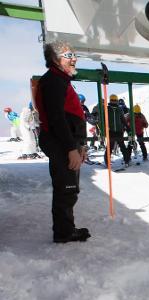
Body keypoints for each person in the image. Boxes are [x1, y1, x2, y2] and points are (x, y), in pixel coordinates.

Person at [34, 40, 90, 243]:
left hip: (66, 142)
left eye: (74, 54)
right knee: (66, 188)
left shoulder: (61, 80)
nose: (74, 58)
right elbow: (57, 118)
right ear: (56, 59)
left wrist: (80, 145)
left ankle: (66, 228)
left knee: (69, 187)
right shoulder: (53, 81)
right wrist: (70, 149)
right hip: (60, 142)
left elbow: (72, 115)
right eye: (68, 55)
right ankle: (64, 232)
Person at [104, 94, 131, 167]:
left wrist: (127, 127)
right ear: (110, 101)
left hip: (119, 131)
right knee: (110, 147)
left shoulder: (119, 109)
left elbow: (123, 119)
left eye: (115, 100)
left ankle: (127, 160)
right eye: (113, 100)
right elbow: (104, 120)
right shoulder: (107, 109)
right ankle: (107, 162)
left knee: (122, 146)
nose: (114, 102)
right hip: (111, 131)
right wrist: (104, 129)